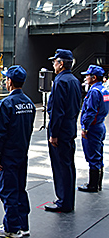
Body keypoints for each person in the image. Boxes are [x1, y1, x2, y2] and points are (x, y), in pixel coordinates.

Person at [0, 65, 36, 238]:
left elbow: (0, 133)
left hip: (8, 155)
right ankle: (23, 225)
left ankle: (11, 228)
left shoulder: (6, 103)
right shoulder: (29, 103)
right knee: (20, 189)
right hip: (21, 153)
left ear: (9, 81)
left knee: (8, 191)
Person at [45, 49, 82, 213]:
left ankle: (63, 201)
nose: (53, 64)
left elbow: (57, 110)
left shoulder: (60, 81)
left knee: (60, 167)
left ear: (61, 63)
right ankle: (67, 199)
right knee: (68, 166)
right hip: (69, 128)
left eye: (55, 61)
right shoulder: (74, 80)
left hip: (60, 131)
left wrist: (53, 133)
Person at [78, 65, 109, 192]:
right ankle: (97, 184)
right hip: (100, 125)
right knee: (98, 154)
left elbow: (90, 112)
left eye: (87, 75)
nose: (86, 78)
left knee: (93, 157)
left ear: (94, 77)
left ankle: (93, 185)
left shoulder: (94, 92)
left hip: (93, 128)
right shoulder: (104, 90)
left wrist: (85, 128)